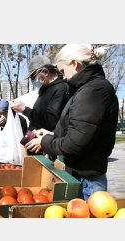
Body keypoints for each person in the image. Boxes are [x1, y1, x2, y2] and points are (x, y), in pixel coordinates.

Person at [25, 44, 119, 200]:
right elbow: (81, 130)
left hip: (87, 181)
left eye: (63, 71)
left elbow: (74, 144)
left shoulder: (93, 91)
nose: (64, 77)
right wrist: (53, 134)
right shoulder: (87, 89)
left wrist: (45, 141)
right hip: (81, 176)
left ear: (74, 64)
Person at [10, 55, 71, 132]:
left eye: (33, 76)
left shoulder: (60, 88)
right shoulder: (45, 89)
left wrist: (25, 110)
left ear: (45, 72)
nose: (32, 80)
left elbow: (51, 121)